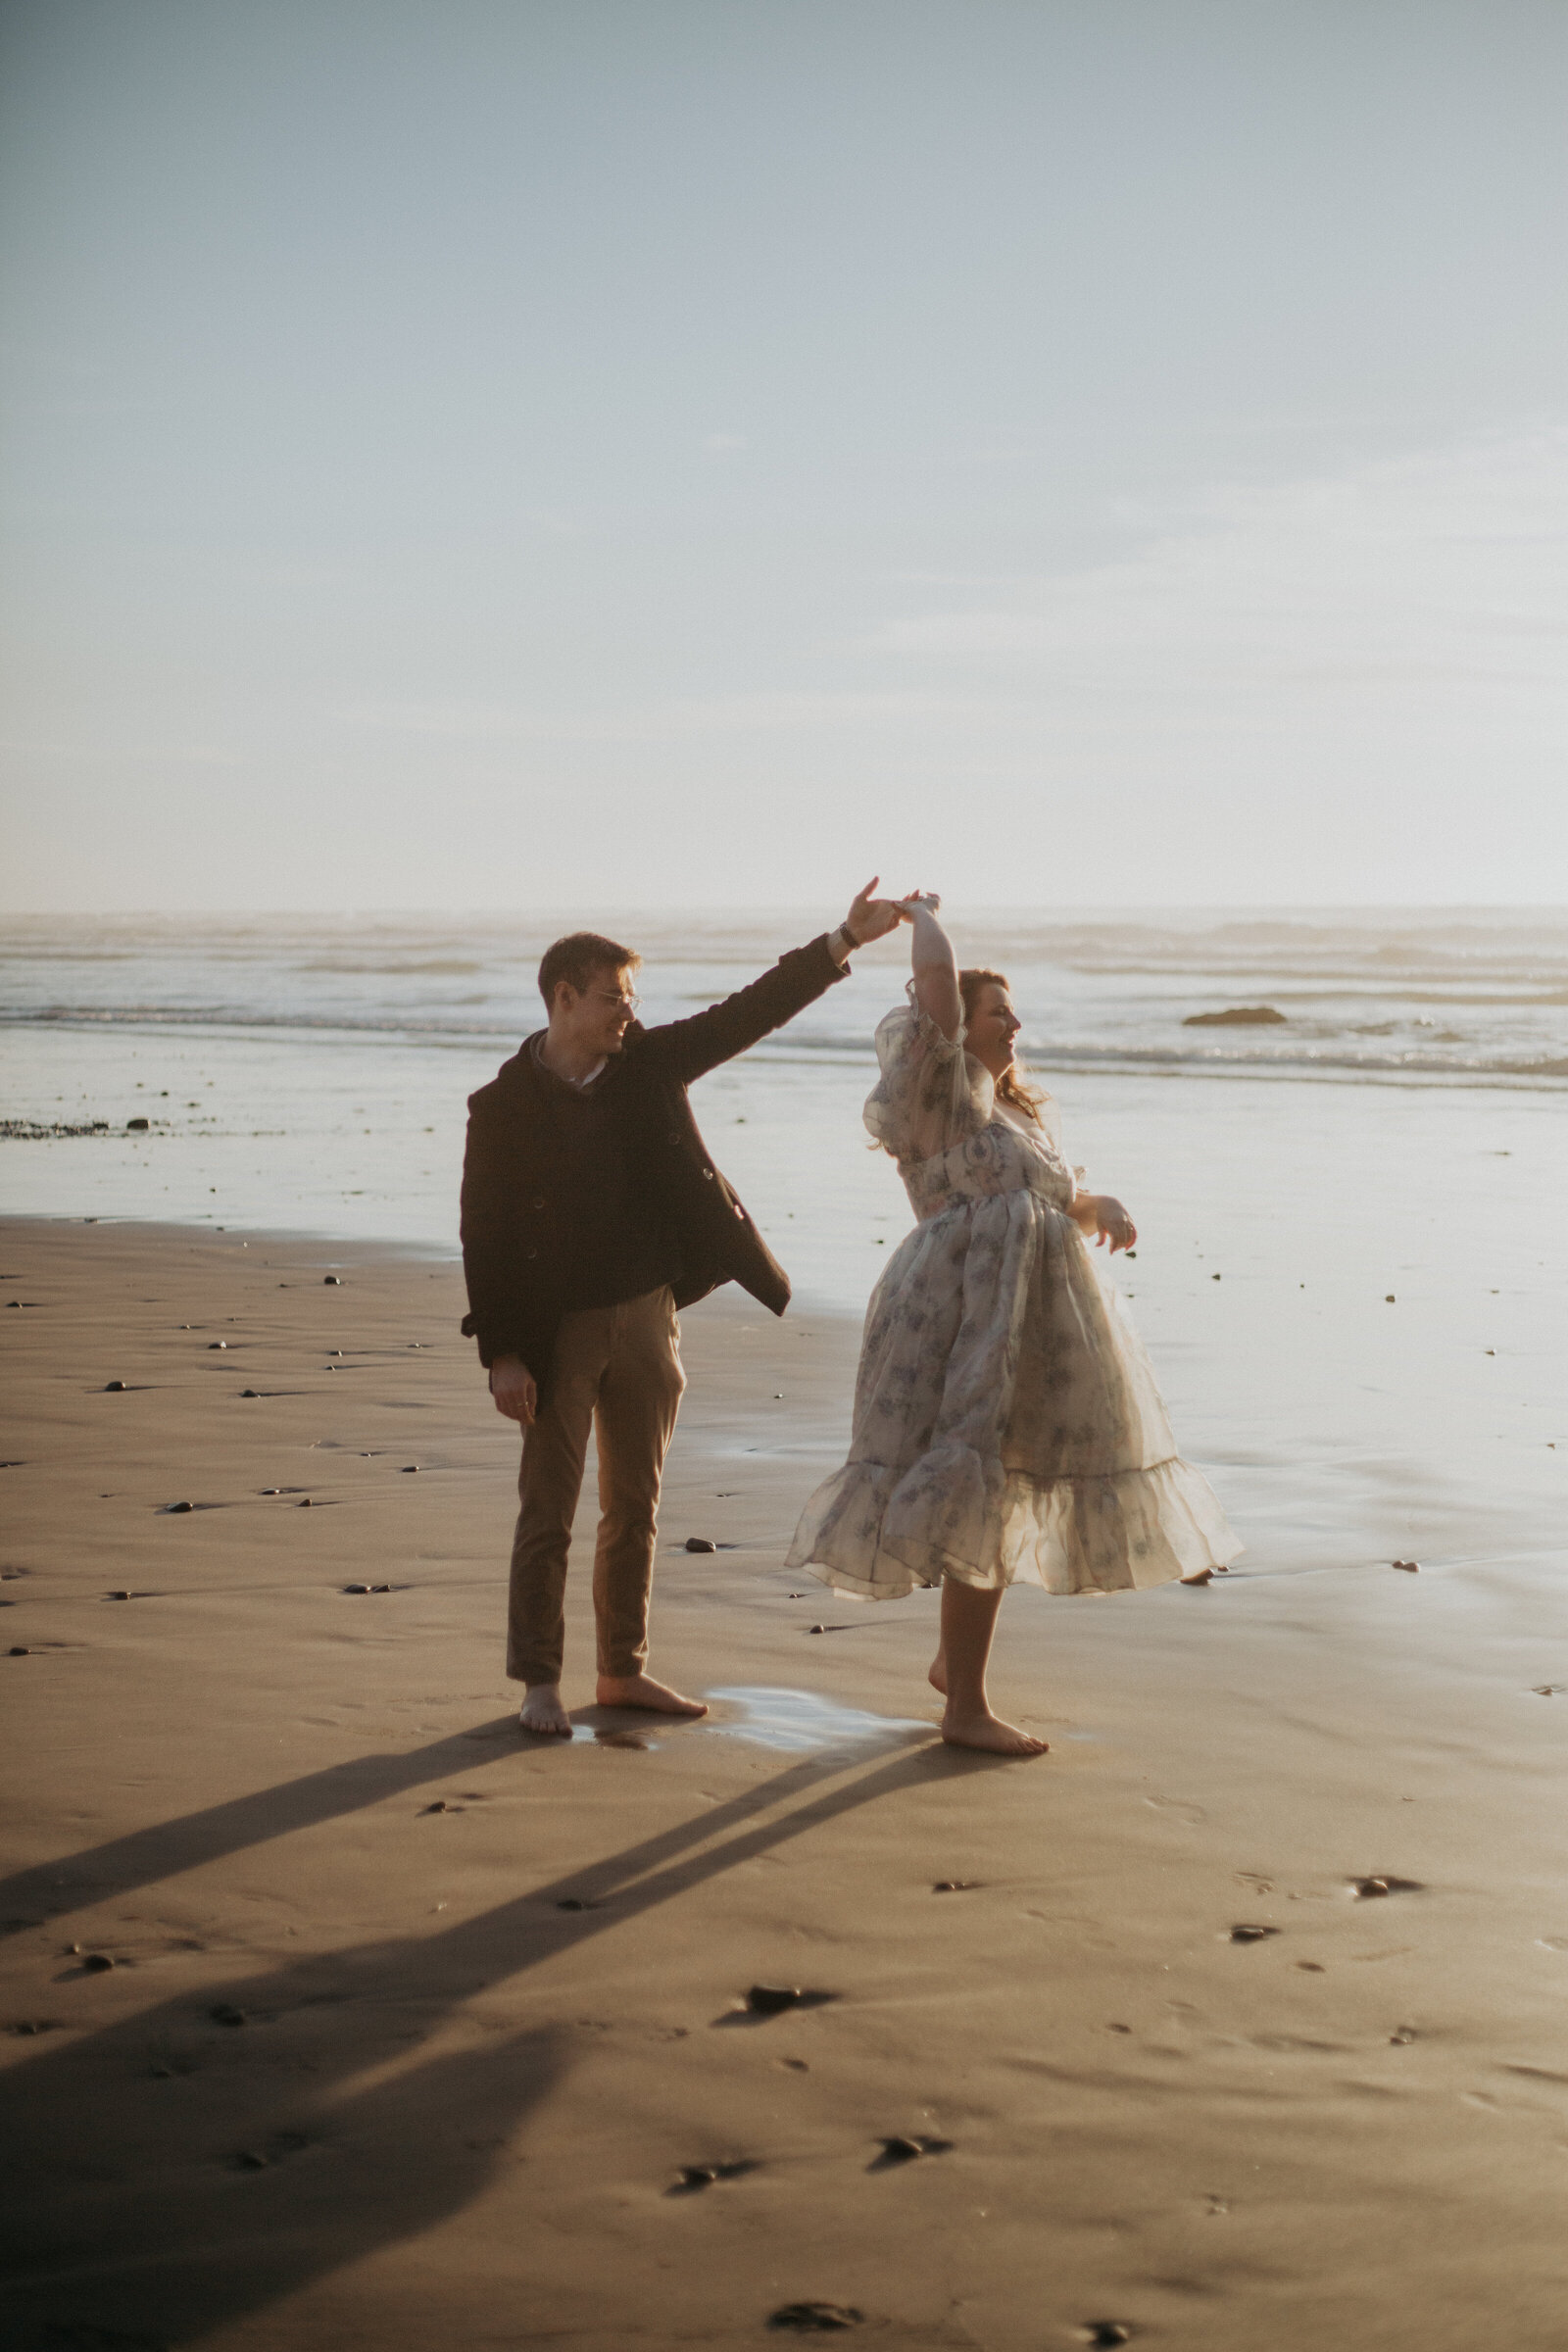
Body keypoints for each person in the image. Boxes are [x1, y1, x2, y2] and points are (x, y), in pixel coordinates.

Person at [787, 893, 1240, 1755]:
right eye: (1000, 1009)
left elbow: (1052, 1195)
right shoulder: (940, 1086)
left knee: (1005, 1479)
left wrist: (1101, 1203)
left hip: (1033, 1315)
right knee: (976, 1484)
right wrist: (918, 918)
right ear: (955, 1021)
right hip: (958, 1311)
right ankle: (964, 1708)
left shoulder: (1018, 1115)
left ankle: (957, 1675)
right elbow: (936, 991)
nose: (1016, 1020)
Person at [461, 883, 906, 1736]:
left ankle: (622, 1670)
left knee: (637, 1506)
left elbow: (747, 1013)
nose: (628, 1014)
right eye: (613, 998)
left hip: (648, 1315)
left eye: (632, 999)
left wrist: (845, 939)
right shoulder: (503, 1107)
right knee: (547, 1509)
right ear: (563, 998)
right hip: (556, 1336)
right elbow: (483, 1233)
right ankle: (539, 1683)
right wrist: (503, 1354)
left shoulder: (649, 1069)